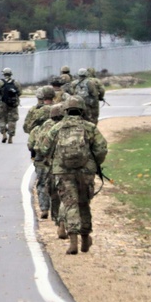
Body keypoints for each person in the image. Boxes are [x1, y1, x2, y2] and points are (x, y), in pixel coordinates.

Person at [39, 96, 108, 254]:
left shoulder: (57, 128)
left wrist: (53, 160)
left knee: (70, 204)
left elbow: (44, 148)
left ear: (65, 110)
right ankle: (85, 238)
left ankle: (73, 242)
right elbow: (101, 148)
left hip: (63, 172)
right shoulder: (89, 127)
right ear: (82, 109)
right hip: (86, 172)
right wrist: (95, 163)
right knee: (84, 203)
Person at [34, 103, 66, 226]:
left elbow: (37, 145)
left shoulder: (44, 127)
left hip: (44, 161)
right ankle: (60, 219)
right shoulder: (68, 126)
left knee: (44, 185)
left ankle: (45, 209)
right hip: (63, 164)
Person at [0, 67, 21, 143]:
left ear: (4, 74)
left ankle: (4, 133)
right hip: (13, 104)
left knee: (2, 119)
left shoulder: (0, 82)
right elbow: (19, 93)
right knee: (12, 120)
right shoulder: (16, 82)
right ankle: (10, 138)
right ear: (11, 74)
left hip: (3, 103)